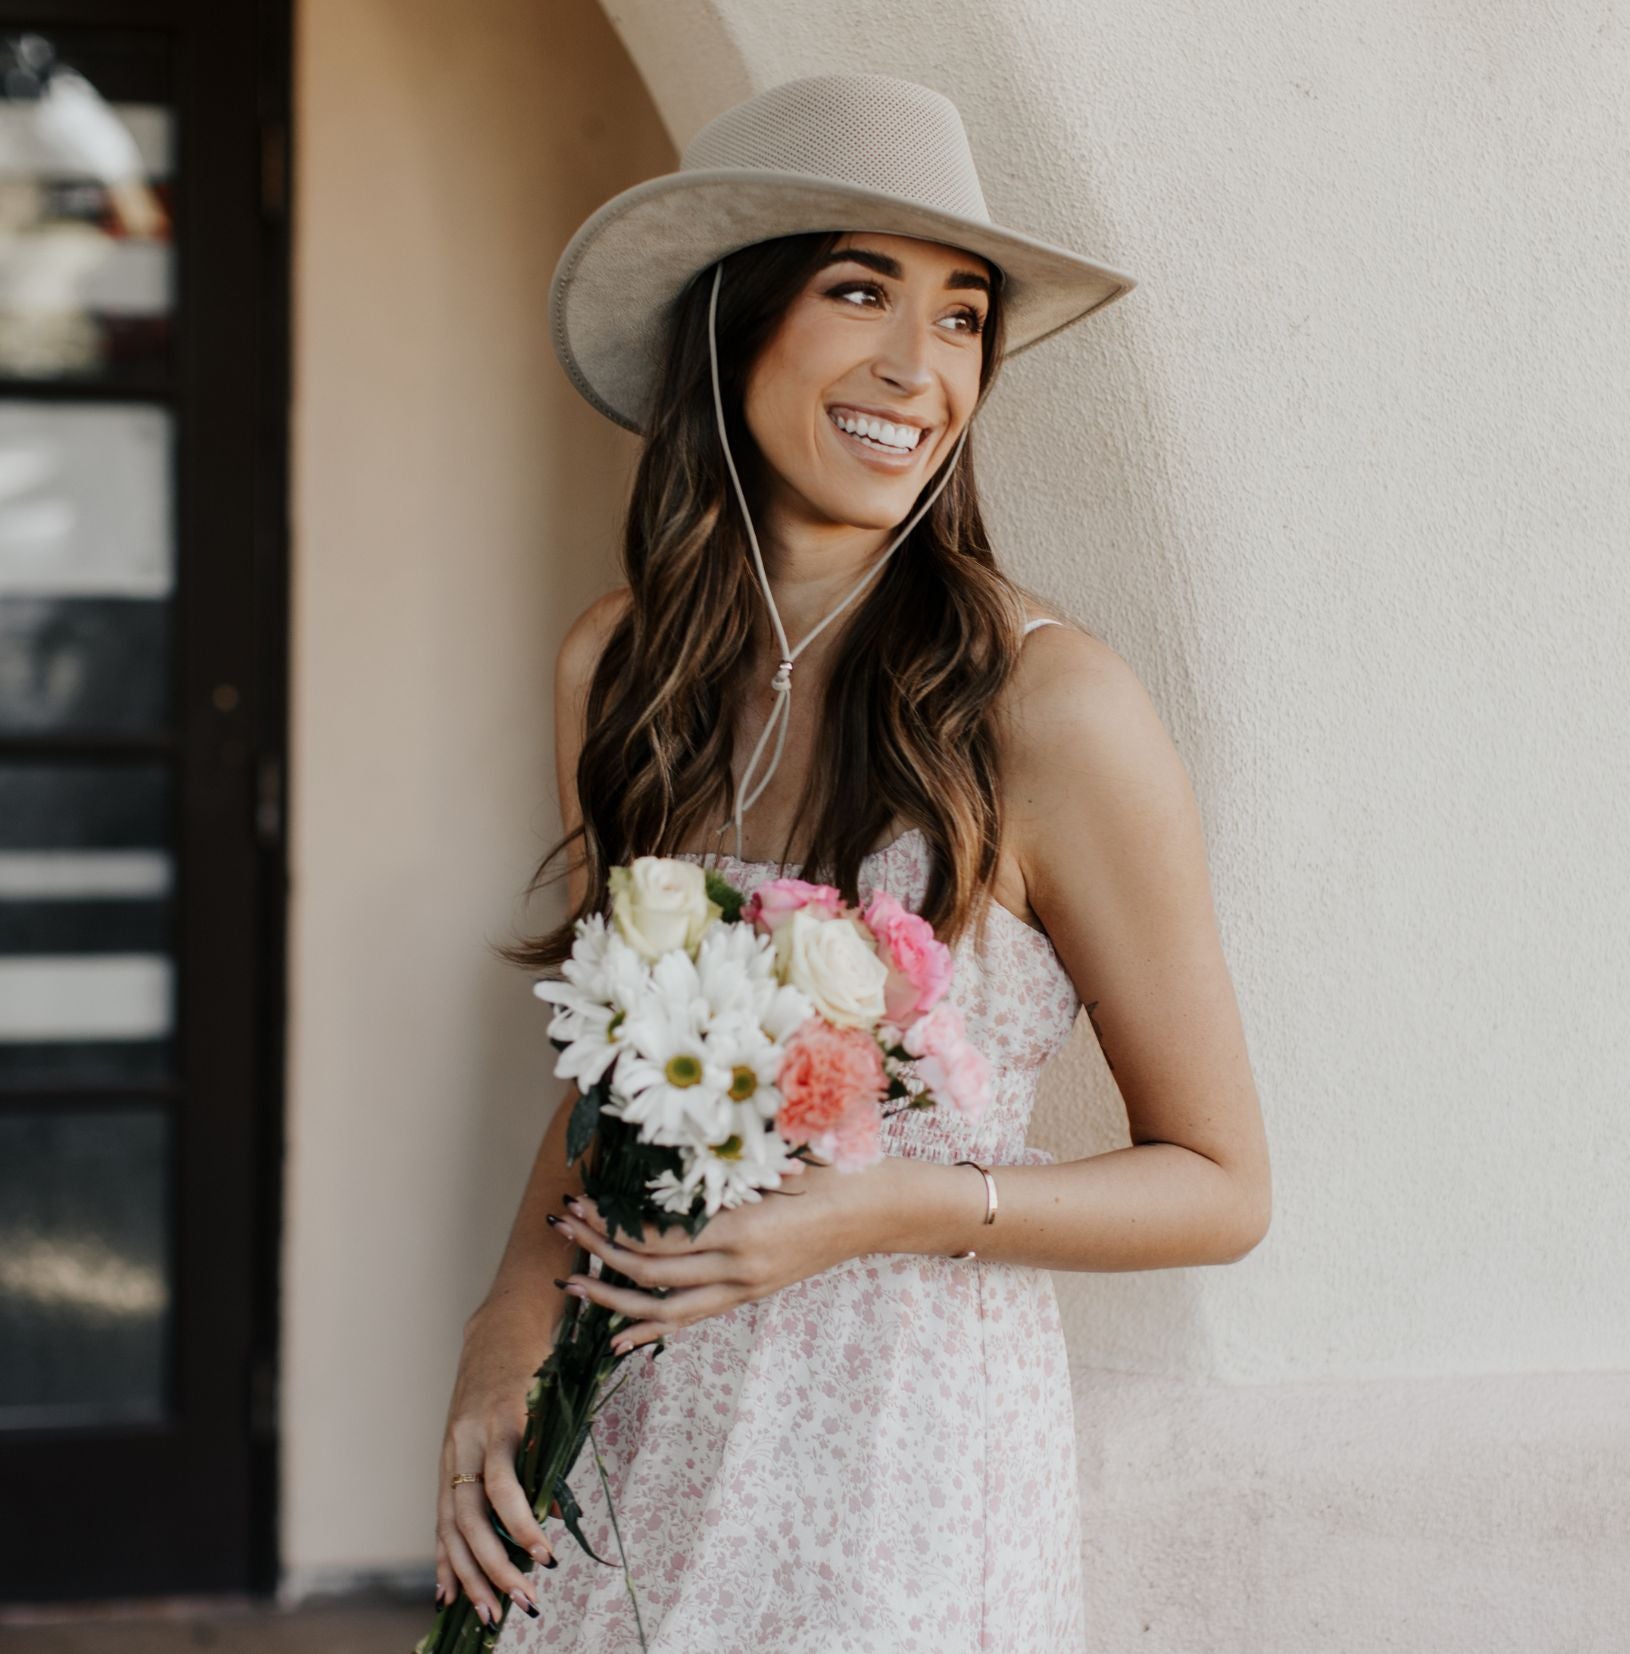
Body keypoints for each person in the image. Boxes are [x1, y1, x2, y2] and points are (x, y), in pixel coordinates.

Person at [433, 73, 1271, 1651]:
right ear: (732, 321)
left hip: (896, 1464)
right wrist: (507, 1319)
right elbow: (619, 1070)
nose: (918, 364)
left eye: (961, 318)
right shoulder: (614, 670)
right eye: (859, 289)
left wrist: (872, 1205)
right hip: (630, 1422)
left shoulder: (1052, 705)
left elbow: (1219, 1184)